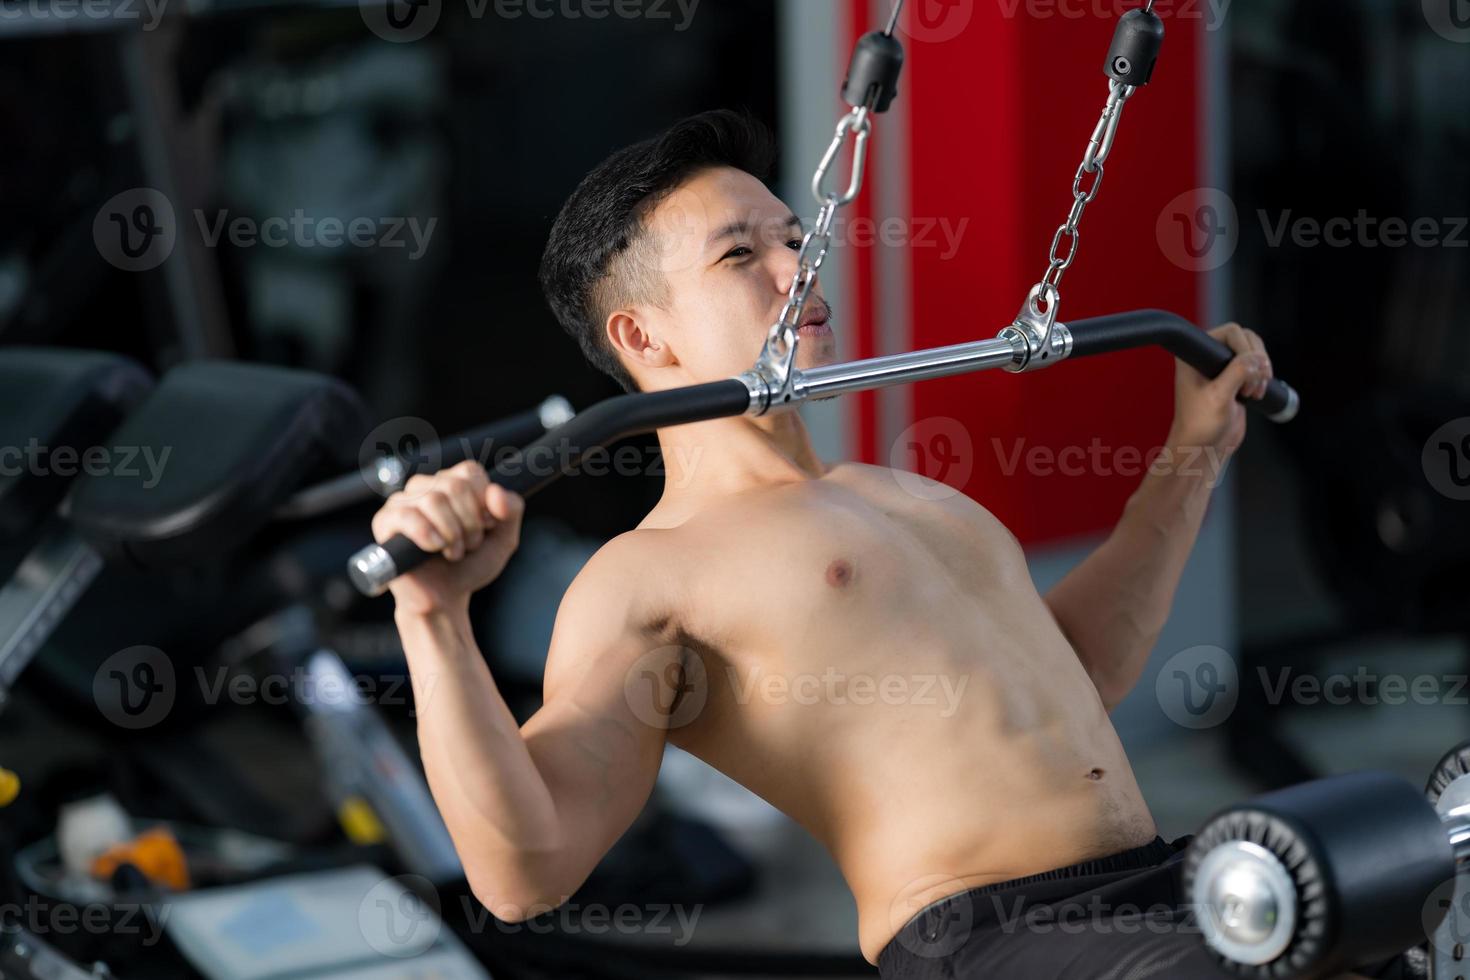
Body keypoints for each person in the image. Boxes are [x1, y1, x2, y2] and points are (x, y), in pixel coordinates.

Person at [370, 110, 1322, 978]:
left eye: (796, 236)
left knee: (1394, 897)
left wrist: (1194, 455)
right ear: (644, 337)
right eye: (740, 255)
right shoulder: (647, 576)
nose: (799, 267)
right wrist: (435, 614)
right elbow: (523, 874)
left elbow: (1084, 671)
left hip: (1157, 883)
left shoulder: (899, 493)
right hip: (996, 937)